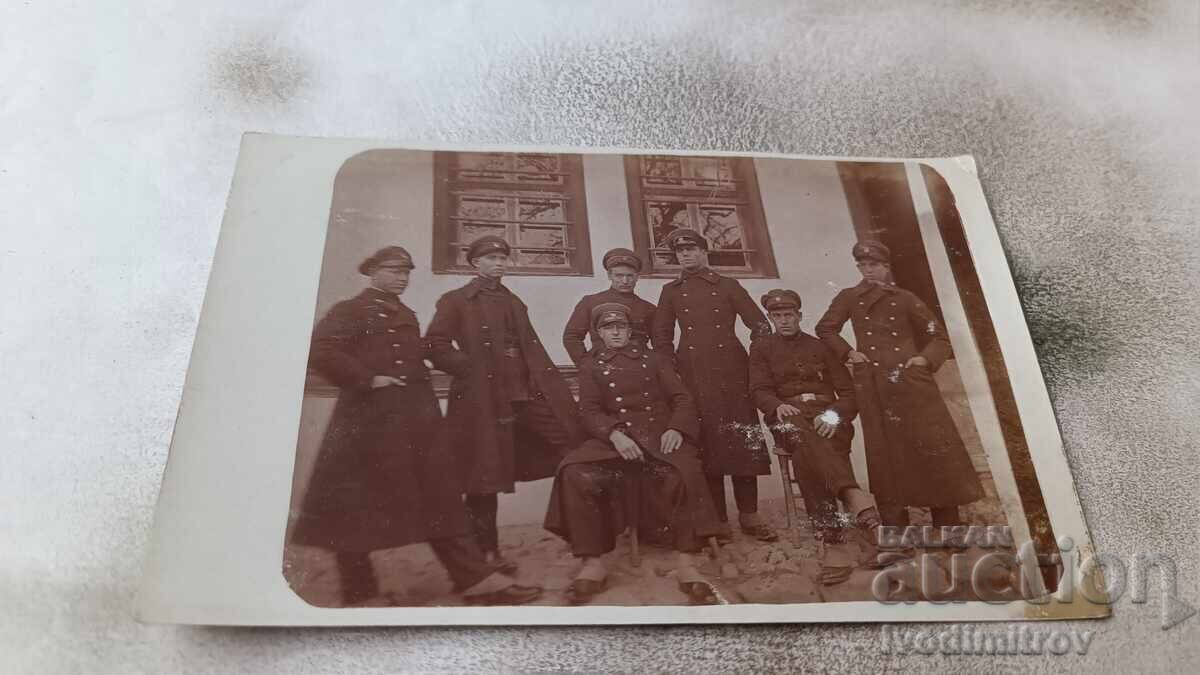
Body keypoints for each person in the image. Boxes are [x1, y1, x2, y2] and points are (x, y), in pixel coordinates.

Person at [289, 246, 541, 606]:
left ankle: (474, 579)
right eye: (393, 271)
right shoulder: (351, 310)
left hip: (412, 419)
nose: (402, 279)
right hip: (367, 423)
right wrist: (367, 378)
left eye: (406, 273)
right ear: (372, 271)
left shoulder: (402, 310)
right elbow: (321, 349)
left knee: (440, 497)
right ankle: (361, 593)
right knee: (351, 507)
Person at [544, 303, 725, 605]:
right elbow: (588, 410)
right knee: (575, 472)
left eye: (621, 327)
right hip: (614, 440)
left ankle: (687, 564)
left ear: (630, 331)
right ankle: (593, 562)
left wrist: (677, 429)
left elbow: (682, 398)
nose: (615, 332)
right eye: (608, 328)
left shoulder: (653, 359)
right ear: (598, 333)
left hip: (658, 435)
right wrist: (614, 434)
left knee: (683, 472)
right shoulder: (591, 364)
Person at [426, 235, 582, 574]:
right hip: (481, 403)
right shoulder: (455, 301)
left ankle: (580, 535)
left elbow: (528, 349)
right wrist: (468, 368)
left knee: (572, 449)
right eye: (491, 257)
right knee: (483, 480)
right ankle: (487, 554)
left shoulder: (513, 302)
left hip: (524, 397)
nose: (499, 263)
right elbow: (435, 344)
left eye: (503, 258)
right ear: (474, 263)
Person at [815, 240, 984, 535]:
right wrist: (848, 353)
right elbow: (825, 328)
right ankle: (896, 528)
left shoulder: (906, 298)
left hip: (912, 385)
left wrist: (923, 360)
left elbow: (939, 337)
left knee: (932, 448)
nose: (867, 270)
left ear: (885, 267)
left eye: (873, 265)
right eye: (862, 265)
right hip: (875, 386)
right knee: (884, 455)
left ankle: (947, 525)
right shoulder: (850, 297)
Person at [748, 289, 885, 585]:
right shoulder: (761, 348)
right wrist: (777, 405)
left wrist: (833, 416)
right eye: (777, 316)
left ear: (799, 315)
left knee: (807, 454)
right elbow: (758, 390)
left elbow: (848, 394)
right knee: (800, 431)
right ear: (770, 318)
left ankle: (833, 545)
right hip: (787, 418)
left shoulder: (821, 347)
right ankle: (857, 501)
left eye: (789, 315)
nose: (784, 321)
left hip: (827, 420)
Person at [651, 228, 777, 542]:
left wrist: (753, 363)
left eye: (691, 249)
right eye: (680, 252)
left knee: (740, 440)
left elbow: (760, 325)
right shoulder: (671, 291)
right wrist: (672, 374)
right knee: (708, 446)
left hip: (734, 374)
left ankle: (749, 514)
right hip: (693, 376)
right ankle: (718, 518)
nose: (686, 255)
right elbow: (662, 338)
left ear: (703, 251)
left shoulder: (728, 285)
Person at [562, 248, 657, 366]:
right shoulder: (590, 302)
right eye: (619, 276)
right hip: (602, 367)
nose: (625, 281)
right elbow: (572, 337)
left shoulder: (648, 308)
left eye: (630, 276)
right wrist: (585, 364)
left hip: (639, 368)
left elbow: (660, 343)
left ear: (637, 276)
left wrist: (655, 367)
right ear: (609, 275)